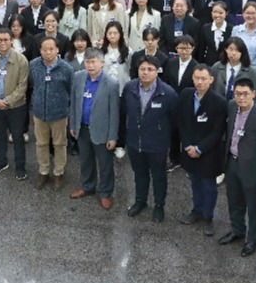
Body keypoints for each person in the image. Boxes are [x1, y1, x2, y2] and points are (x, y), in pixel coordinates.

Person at [218, 79, 256, 257]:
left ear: (254, 94)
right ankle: (237, 230)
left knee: (252, 204)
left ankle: (253, 239)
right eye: (237, 94)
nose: (241, 98)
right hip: (232, 162)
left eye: (245, 94)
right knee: (233, 199)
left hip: (251, 167)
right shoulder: (231, 107)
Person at [123, 56, 178, 222]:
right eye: (142, 69)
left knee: (159, 176)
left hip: (157, 145)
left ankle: (159, 205)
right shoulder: (129, 88)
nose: (145, 72)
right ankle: (140, 200)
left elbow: (174, 121)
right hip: (135, 142)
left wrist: (169, 144)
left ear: (157, 71)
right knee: (139, 174)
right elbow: (125, 112)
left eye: (150, 69)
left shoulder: (168, 93)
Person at [176, 65, 227, 236]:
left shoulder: (219, 102)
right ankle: (197, 210)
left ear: (211, 80)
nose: (200, 82)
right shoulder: (185, 95)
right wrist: (187, 145)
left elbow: (217, 132)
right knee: (194, 182)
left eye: (204, 78)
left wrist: (199, 148)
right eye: (197, 78)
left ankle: (208, 217)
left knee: (208, 186)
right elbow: (181, 121)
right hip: (189, 149)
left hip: (208, 152)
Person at [69, 48, 120, 210]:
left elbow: (114, 113)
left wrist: (112, 136)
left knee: (105, 164)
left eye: (93, 62)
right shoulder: (78, 77)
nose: (90, 65)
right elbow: (74, 102)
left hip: (102, 131)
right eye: (87, 62)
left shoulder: (111, 84)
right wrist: (73, 124)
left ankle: (105, 192)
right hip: (82, 128)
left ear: (102, 63)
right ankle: (87, 186)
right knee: (85, 160)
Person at [0, 29, 29, 181]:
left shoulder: (21, 60)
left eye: (6, 40)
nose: (2, 43)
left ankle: (20, 165)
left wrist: (7, 101)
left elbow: (22, 86)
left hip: (16, 106)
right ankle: (1, 162)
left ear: (11, 40)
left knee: (17, 136)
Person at [29, 35, 75, 190]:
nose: (48, 52)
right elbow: (31, 85)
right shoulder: (33, 65)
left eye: (51, 49)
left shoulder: (66, 68)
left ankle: (58, 172)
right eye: (44, 49)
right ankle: (43, 171)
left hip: (59, 114)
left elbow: (71, 90)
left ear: (57, 50)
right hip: (39, 113)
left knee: (59, 144)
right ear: (40, 50)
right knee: (41, 143)